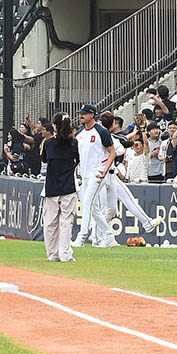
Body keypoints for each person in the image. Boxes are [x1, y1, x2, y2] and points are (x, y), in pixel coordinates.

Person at [71, 105, 116, 249]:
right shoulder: (80, 134)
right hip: (84, 175)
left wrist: (105, 170)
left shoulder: (101, 131)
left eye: (84, 114)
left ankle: (81, 237)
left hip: (97, 173)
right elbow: (79, 156)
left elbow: (112, 152)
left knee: (87, 202)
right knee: (92, 207)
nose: (81, 116)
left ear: (92, 114)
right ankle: (109, 236)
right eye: (80, 113)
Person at [42, 112, 79, 262]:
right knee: (66, 222)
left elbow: (44, 159)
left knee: (50, 222)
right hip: (68, 186)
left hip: (51, 186)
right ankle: (65, 254)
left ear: (55, 126)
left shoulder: (48, 143)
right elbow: (77, 160)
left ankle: (52, 254)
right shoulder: (74, 143)